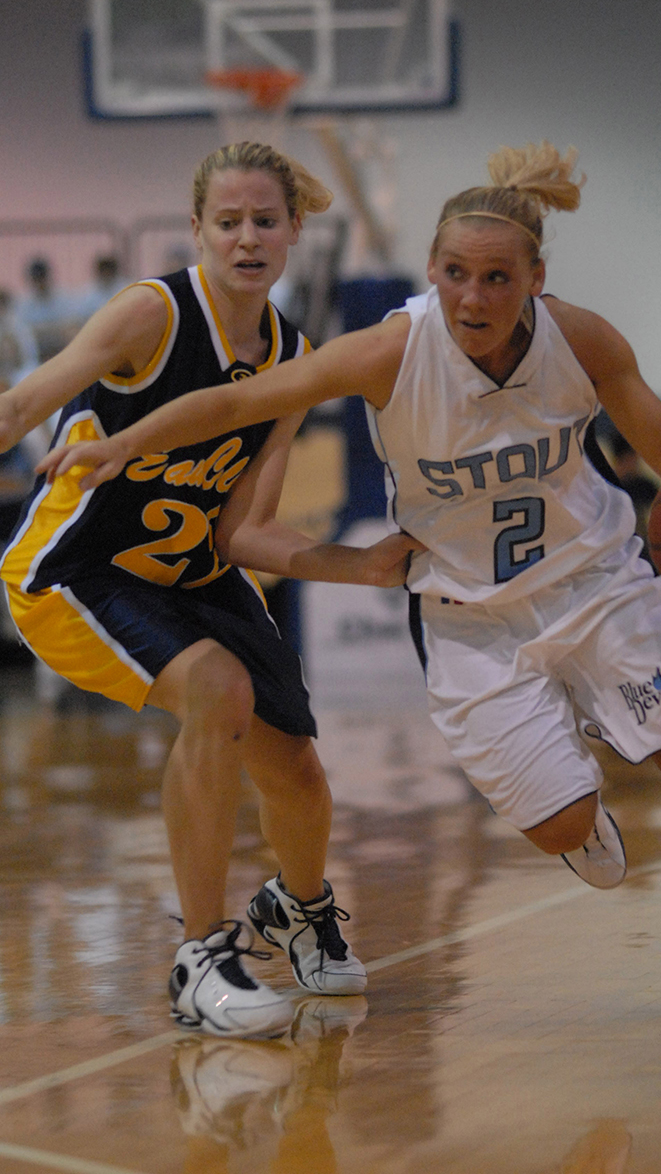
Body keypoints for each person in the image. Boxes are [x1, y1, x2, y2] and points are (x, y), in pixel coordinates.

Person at [42, 142, 661, 1019]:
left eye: (496, 278)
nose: (472, 297)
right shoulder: (392, 350)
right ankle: (571, 807)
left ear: (535, 280)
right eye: (454, 274)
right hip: (469, 614)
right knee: (559, 828)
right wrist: (126, 443)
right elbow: (235, 405)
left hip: (598, 583)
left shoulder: (581, 339)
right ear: (432, 271)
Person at [0, 141, 421, 1038]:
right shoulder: (149, 314)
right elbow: (24, 404)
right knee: (219, 690)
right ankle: (199, 958)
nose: (246, 238)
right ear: (195, 229)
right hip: (77, 570)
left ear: (295, 231)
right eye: (226, 222)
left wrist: (361, 565)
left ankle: (299, 914)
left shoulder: (291, 356)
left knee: (298, 770)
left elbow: (244, 534)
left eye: (264, 221)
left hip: (199, 574)